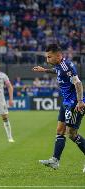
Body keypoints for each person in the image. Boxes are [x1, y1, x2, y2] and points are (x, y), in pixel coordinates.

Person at [33, 44, 85, 172]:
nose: (47, 59)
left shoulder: (66, 66)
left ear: (58, 56)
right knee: (60, 130)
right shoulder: (59, 65)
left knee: (72, 134)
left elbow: (78, 83)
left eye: (49, 57)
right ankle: (55, 161)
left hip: (74, 104)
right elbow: (56, 71)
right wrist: (44, 70)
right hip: (66, 102)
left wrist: (79, 101)